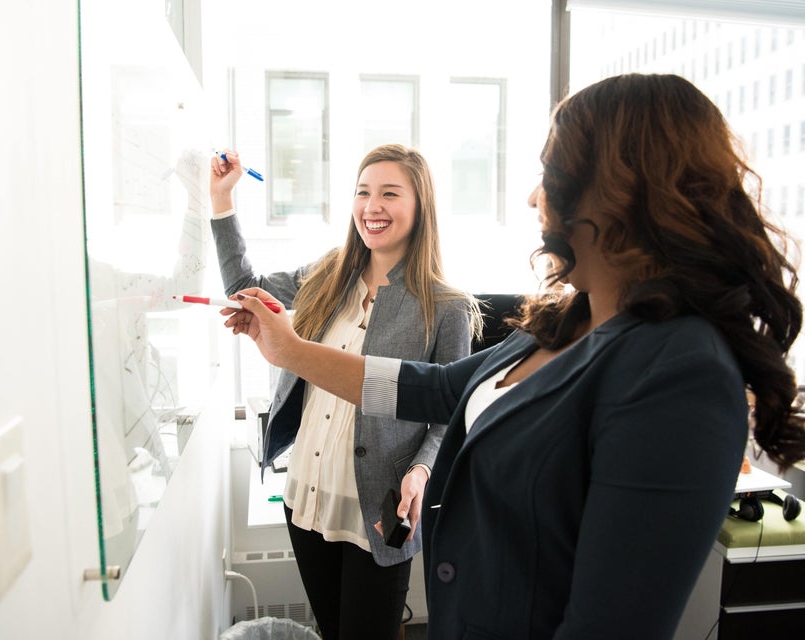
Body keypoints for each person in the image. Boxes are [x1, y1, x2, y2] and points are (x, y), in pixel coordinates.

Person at [220, 73, 805, 639]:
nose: (532, 196)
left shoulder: (681, 373)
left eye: (551, 173)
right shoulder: (562, 322)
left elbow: (607, 625)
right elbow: (436, 388)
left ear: (621, 191)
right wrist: (292, 352)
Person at [209, 144, 480, 640]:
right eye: (363, 192)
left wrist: (421, 471)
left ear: (420, 206)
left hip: (379, 507)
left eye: (389, 194)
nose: (371, 207)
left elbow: (451, 413)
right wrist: (221, 201)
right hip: (307, 496)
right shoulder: (327, 275)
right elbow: (245, 287)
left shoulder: (447, 307)